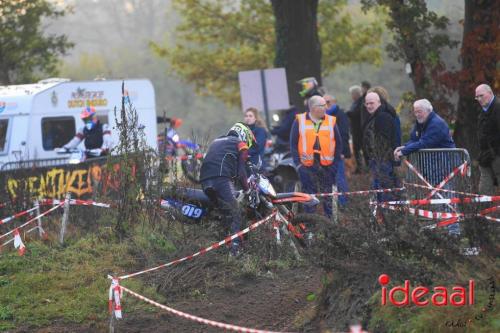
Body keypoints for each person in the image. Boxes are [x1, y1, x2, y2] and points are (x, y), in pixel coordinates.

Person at [199, 122, 255, 256]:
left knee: (225, 213)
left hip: (205, 180)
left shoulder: (216, 141)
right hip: (221, 179)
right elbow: (241, 172)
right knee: (237, 212)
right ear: (244, 135)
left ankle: (224, 244)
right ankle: (235, 249)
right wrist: (247, 190)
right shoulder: (241, 144)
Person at [290, 95, 343, 218]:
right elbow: (293, 144)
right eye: (323, 105)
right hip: (306, 166)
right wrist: (298, 165)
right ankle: (311, 227)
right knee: (309, 198)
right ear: (313, 108)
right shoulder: (299, 120)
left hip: (328, 166)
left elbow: (339, 143)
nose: (326, 107)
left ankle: (330, 225)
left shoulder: (331, 121)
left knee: (328, 197)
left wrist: (335, 164)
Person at [362, 92, 400, 204]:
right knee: (380, 189)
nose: (369, 106)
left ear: (379, 102)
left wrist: (379, 158)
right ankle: (382, 214)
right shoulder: (375, 116)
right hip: (377, 160)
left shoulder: (383, 117)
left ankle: (387, 214)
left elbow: (385, 141)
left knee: (384, 190)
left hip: (383, 161)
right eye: (367, 103)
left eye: (371, 103)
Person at [324, 94, 351, 207]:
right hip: (327, 154)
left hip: (337, 153)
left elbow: (344, 134)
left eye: (328, 102)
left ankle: (343, 204)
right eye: (323, 102)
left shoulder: (340, 115)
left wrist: (342, 152)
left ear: (334, 102)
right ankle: (334, 205)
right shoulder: (324, 117)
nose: (326, 105)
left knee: (340, 179)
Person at [475, 83, 500, 195]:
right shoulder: (483, 112)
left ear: (490, 93)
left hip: (497, 155)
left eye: (481, 95)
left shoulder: (498, 107)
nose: (479, 99)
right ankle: (484, 212)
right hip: (485, 156)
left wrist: (494, 151)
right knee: (484, 191)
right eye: (477, 97)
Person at [346, 85, 366, 173]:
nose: (351, 96)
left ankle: (364, 167)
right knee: (356, 149)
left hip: (360, 130)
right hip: (355, 130)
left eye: (352, 94)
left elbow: (356, 113)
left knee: (362, 149)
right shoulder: (355, 102)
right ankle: (359, 167)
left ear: (356, 94)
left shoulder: (361, 101)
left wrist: (348, 113)